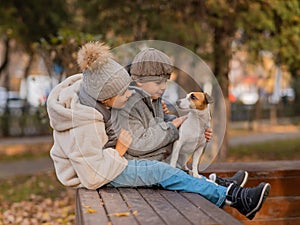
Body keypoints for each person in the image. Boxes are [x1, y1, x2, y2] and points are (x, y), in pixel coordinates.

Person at [47, 42, 270, 220]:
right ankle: (234, 198)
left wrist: (175, 125)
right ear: (106, 98)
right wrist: (121, 150)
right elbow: (93, 175)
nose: (129, 95)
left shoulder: (98, 97)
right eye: (124, 92)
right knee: (160, 170)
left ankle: (223, 187)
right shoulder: (84, 123)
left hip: (109, 160)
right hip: (100, 172)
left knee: (167, 163)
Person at [112, 48, 246, 186]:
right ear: (140, 81)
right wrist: (172, 126)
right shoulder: (130, 104)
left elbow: (157, 124)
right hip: (142, 167)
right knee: (183, 178)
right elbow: (137, 144)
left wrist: (195, 130)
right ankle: (227, 193)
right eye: (158, 83)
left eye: (165, 82)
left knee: (185, 172)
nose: (163, 87)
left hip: (157, 161)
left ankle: (220, 185)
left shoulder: (153, 98)